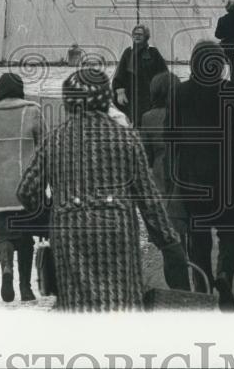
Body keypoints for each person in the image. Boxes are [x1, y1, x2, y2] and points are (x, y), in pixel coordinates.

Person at [16, 69, 185, 311]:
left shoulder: (54, 141)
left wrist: (53, 216)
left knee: (77, 307)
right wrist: (168, 242)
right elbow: (149, 200)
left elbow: (27, 191)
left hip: (70, 234)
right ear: (106, 99)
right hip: (118, 233)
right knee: (121, 303)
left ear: (68, 102)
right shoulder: (126, 140)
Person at [167, 40, 234, 311]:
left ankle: (201, 290)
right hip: (226, 174)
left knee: (197, 235)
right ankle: (224, 274)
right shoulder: (229, 90)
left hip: (191, 176)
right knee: (230, 231)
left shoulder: (180, 91)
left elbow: (170, 136)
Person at [0, 73, 45, 303]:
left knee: (1, 233)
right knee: (25, 237)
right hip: (26, 186)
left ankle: (6, 267)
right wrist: (42, 182)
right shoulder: (33, 111)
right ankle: (25, 288)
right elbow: (45, 149)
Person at [141, 71, 190, 289]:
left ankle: (180, 292)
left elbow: (145, 157)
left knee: (171, 245)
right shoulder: (186, 113)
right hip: (189, 178)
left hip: (163, 187)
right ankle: (201, 286)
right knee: (196, 240)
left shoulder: (148, 118)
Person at [112, 23, 168, 126]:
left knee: (147, 122)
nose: (136, 36)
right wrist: (120, 92)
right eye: (134, 34)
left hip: (149, 95)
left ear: (146, 36)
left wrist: (161, 92)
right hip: (132, 95)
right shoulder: (128, 52)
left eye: (140, 34)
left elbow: (164, 74)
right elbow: (120, 74)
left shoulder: (153, 52)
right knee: (134, 122)